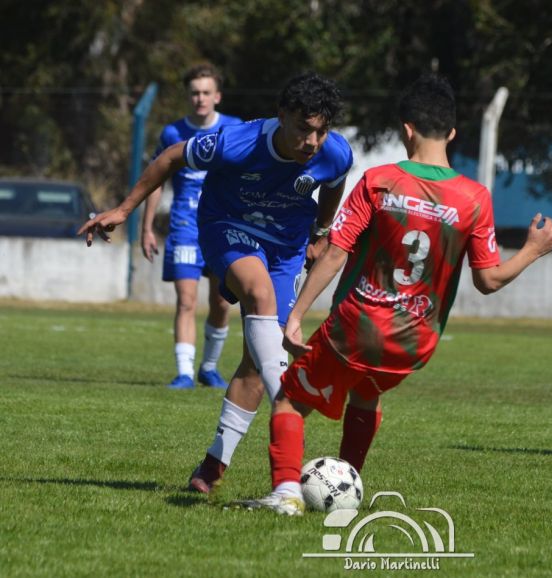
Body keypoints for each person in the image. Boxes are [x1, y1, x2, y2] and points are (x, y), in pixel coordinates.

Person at [234, 73, 552, 515]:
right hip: (413, 342)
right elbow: (488, 280)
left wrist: (296, 314)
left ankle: (287, 494)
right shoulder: (474, 198)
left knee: (290, 399)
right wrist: (532, 250)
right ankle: (345, 488)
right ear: (451, 132)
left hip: (357, 327)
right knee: (367, 393)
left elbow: (334, 253)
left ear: (405, 129)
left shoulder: (380, 181)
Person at [78, 72, 354, 489]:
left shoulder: (334, 153)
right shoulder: (238, 142)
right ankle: (290, 402)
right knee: (259, 297)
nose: (311, 142)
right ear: (282, 117)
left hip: (284, 247)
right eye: (303, 129)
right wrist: (123, 210)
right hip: (227, 228)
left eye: (320, 131)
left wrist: (321, 230)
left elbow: (334, 183)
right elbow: (171, 157)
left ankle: (213, 465)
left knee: (255, 358)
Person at [141, 63, 243, 390]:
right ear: (189, 96)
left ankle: (209, 368)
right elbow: (155, 180)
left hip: (223, 227)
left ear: (217, 96)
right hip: (185, 226)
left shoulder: (235, 129)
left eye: (206, 92)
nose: (200, 98)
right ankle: (184, 372)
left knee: (221, 302)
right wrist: (146, 228)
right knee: (186, 300)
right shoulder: (173, 133)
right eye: (194, 92)